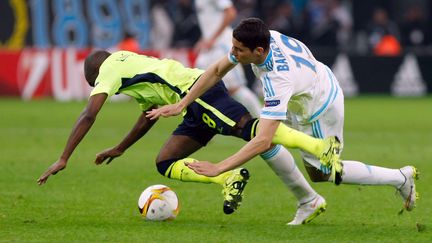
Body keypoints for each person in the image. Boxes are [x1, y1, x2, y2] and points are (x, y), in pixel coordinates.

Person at [146, 18, 419, 217]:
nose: (234, 53)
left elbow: (263, 140)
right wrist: (182, 103)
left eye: (239, 50)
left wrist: (220, 168)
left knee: (321, 173)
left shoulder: (278, 78)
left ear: (259, 52)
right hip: (303, 93)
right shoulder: (261, 38)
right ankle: (308, 202)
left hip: (319, 106)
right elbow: (217, 70)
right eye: (234, 47)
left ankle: (400, 178)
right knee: (264, 135)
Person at [37, 50, 340, 220]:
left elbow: (89, 113)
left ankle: (320, 146)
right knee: (166, 160)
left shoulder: (107, 71)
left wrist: (64, 157)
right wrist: (120, 147)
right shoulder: (127, 63)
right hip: (191, 108)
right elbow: (148, 114)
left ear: (94, 75)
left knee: (251, 128)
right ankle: (228, 179)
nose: (96, 86)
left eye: (94, 83)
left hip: (199, 92)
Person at [194, 0, 262, 117]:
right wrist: (204, 40)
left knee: (235, 88)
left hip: (222, 45)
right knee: (200, 82)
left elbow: (231, 13)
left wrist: (213, 38)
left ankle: (263, 118)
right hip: (210, 47)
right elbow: (210, 22)